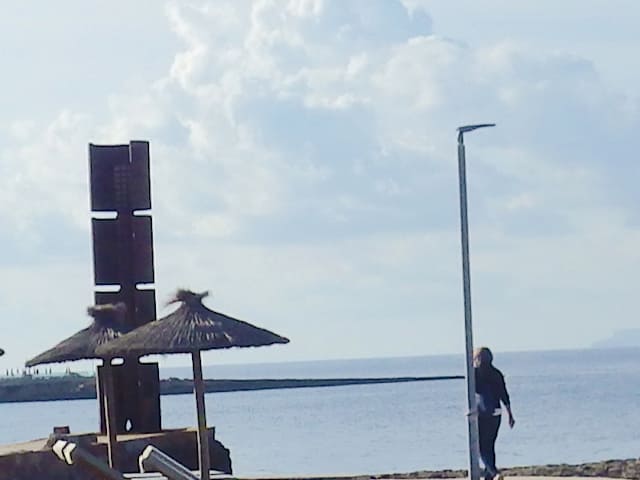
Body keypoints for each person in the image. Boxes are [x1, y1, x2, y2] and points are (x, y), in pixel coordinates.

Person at [474, 347, 515, 480]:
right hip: (496, 413)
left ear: (478, 359)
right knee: (490, 445)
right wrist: (510, 415)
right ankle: (489, 476)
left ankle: (493, 472)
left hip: (482, 414)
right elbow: (504, 395)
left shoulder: (476, 373)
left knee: (481, 446)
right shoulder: (497, 373)